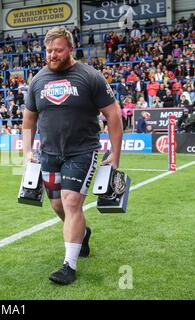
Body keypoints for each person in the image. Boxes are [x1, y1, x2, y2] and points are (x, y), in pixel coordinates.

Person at [22, 27, 123, 285]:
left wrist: (115, 154)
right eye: (48, 50)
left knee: (71, 201)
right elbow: (28, 121)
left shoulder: (90, 76)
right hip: (49, 153)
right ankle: (83, 233)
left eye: (58, 50)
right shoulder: (38, 80)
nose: (52, 55)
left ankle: (69, 264)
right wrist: (27, 152)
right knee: (57, 205)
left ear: (70, 49)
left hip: (82, 151)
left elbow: (113, 115)